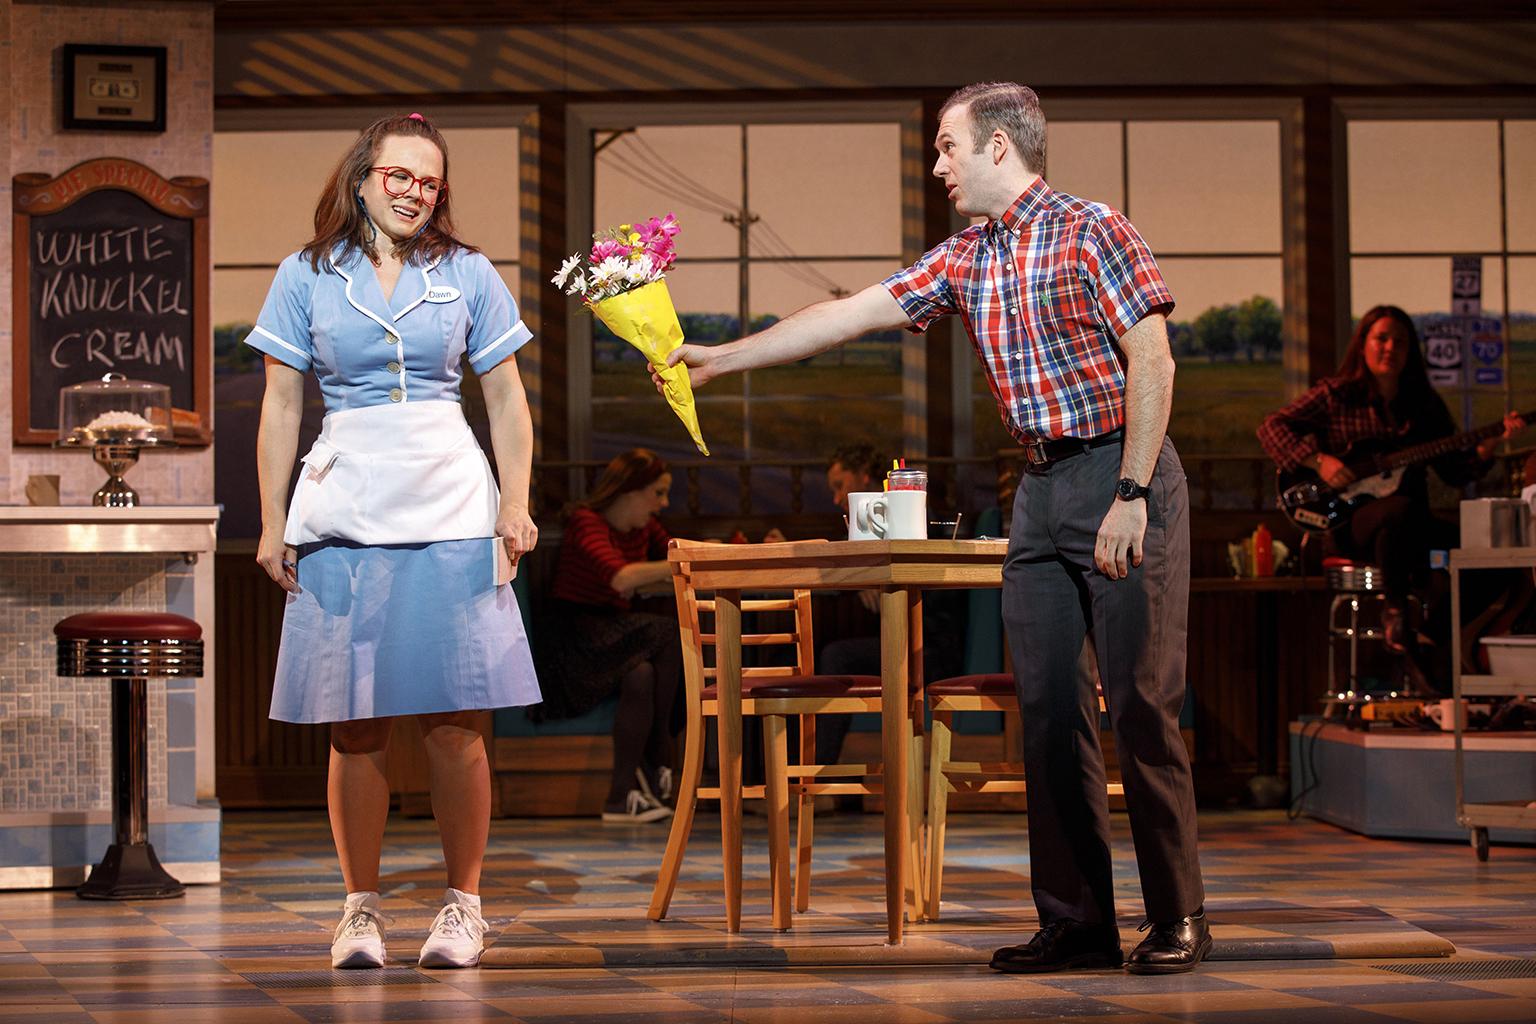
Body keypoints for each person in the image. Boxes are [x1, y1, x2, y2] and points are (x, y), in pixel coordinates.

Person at [659, 81, 1207, 974]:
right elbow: (848, 313)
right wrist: (722, 357)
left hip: (1123, 469)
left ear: (999, 147)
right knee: (1047, 711)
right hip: (1039, 485)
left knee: (1141, 703)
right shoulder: (966, 257)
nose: (938, 163)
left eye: (949, 147)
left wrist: (1134, 491)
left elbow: (1153, 355)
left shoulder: (1091, 227)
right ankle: (1077, 922)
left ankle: (1179, 915)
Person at [249, 112, 540, 971]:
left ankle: (464, 907)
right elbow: (279, 404)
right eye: (400, 176)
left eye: (431, 180)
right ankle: (360, 913)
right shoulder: (303, 275)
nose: (416, 191)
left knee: (457, 720)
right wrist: (272, 519)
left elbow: (508, 400)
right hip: (345, 505)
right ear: (363, 176)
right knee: (355, 724)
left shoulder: (470, 274)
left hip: (451, 501)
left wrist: (515, 503)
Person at [1258, 305, 1523, 661]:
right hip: (1352, 525)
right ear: (1363, 344)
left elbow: (1455, 473)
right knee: (1396, 511)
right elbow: (1271, 428)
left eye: (1400, 342)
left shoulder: (1424, 406)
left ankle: (1429, 636)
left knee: (1494, 561)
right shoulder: (1336, 395)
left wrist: (1487, 448)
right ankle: (1396, 613)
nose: (1390, 349)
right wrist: (1319, 462)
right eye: (1381, 338)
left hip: (1412, 525)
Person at [532, 448, 684, 824]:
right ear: (631, 491)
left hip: (613, 639)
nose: (663, 504)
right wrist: (677, 564)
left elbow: (676, 555)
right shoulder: (587, 522)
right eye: (658, 493)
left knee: (642, 674)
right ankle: (662, 752)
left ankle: (620, 797)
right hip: (576, 640)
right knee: (665, 631)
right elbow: (621, 577)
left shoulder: (644, 528)